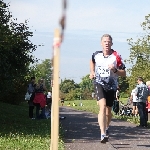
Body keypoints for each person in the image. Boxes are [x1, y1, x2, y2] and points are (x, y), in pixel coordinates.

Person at [89, 34, 126, 143]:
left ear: (111, 43)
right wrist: (92, 71)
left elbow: (124, 73)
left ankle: (107, 126)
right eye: (105, 41)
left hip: (111, 86)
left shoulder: (116, 56)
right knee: (103, 106)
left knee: (108, 111)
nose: (107, 43)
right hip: (99, 83)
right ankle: (102, 133)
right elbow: (92, 61)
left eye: (108, 41)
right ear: (101, 43)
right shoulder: (96, 55)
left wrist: (115, 70)